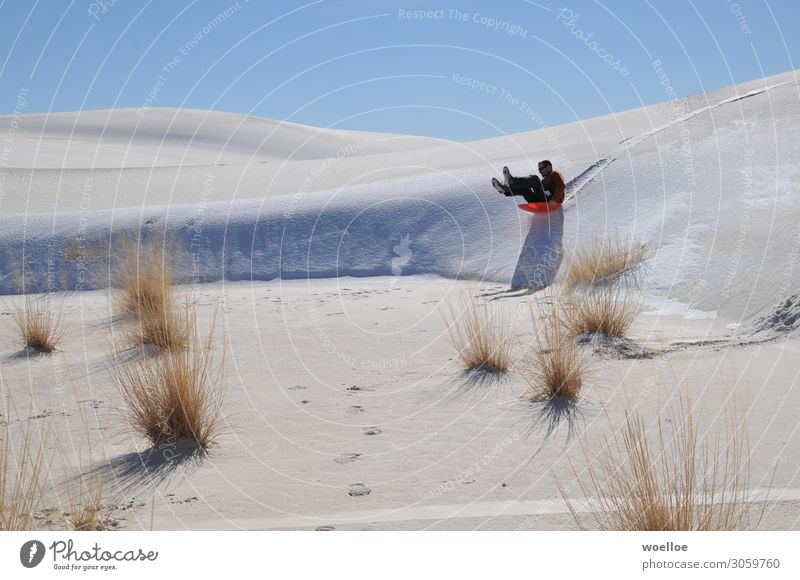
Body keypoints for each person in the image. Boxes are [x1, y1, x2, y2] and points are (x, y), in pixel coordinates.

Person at [491, 160, 565, 204]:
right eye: (539, 169)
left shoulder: (554, 174)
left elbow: (561, 187)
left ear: (548, 167)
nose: (539, 171)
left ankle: (512, 181)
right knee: (525, 190)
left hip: (551, 201)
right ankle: (506, 190)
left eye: (541, 169)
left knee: (535, 179)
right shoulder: (544, 180)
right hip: (542, 201)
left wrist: (553, 200)